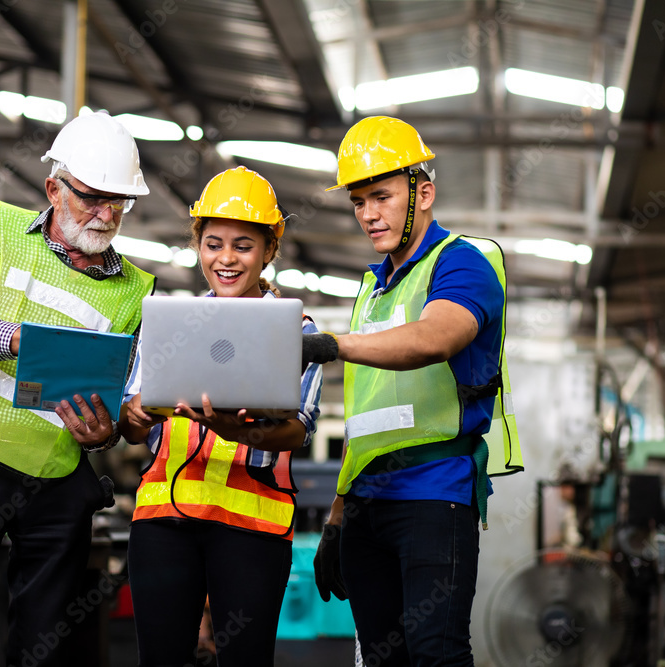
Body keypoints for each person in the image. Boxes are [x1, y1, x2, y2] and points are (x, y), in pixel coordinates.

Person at [0, 111, 157, 667]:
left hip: (55, 480)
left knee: (44, 645)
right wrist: (29, 340)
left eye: (119, 202)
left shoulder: (138, 289)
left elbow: (119, 400)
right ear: (54, 187)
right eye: (92, 197)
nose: (106, 214)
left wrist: (103, 435)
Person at [302, 116, 524, 667]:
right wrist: (335, 516)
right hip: (364, 506)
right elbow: (364, 416)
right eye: (358, 202)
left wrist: (331, 344)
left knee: (436, 655)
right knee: (382, 660)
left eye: (381, 196)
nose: (368, 215)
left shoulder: (463, 263)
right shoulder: (371, 291)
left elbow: (433, 339)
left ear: (424, 193)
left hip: (433, 493)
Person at [117, 166, 324, 667]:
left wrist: (246, 430)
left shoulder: (298, 328)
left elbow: (301, 427)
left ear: (270, 250)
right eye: (212, 244)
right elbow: (129, 424)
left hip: (250, 527)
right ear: (197, 246)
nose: (225, 259)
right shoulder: (169, 324)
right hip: (162, 520)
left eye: (243, 245)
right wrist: (136, 416)